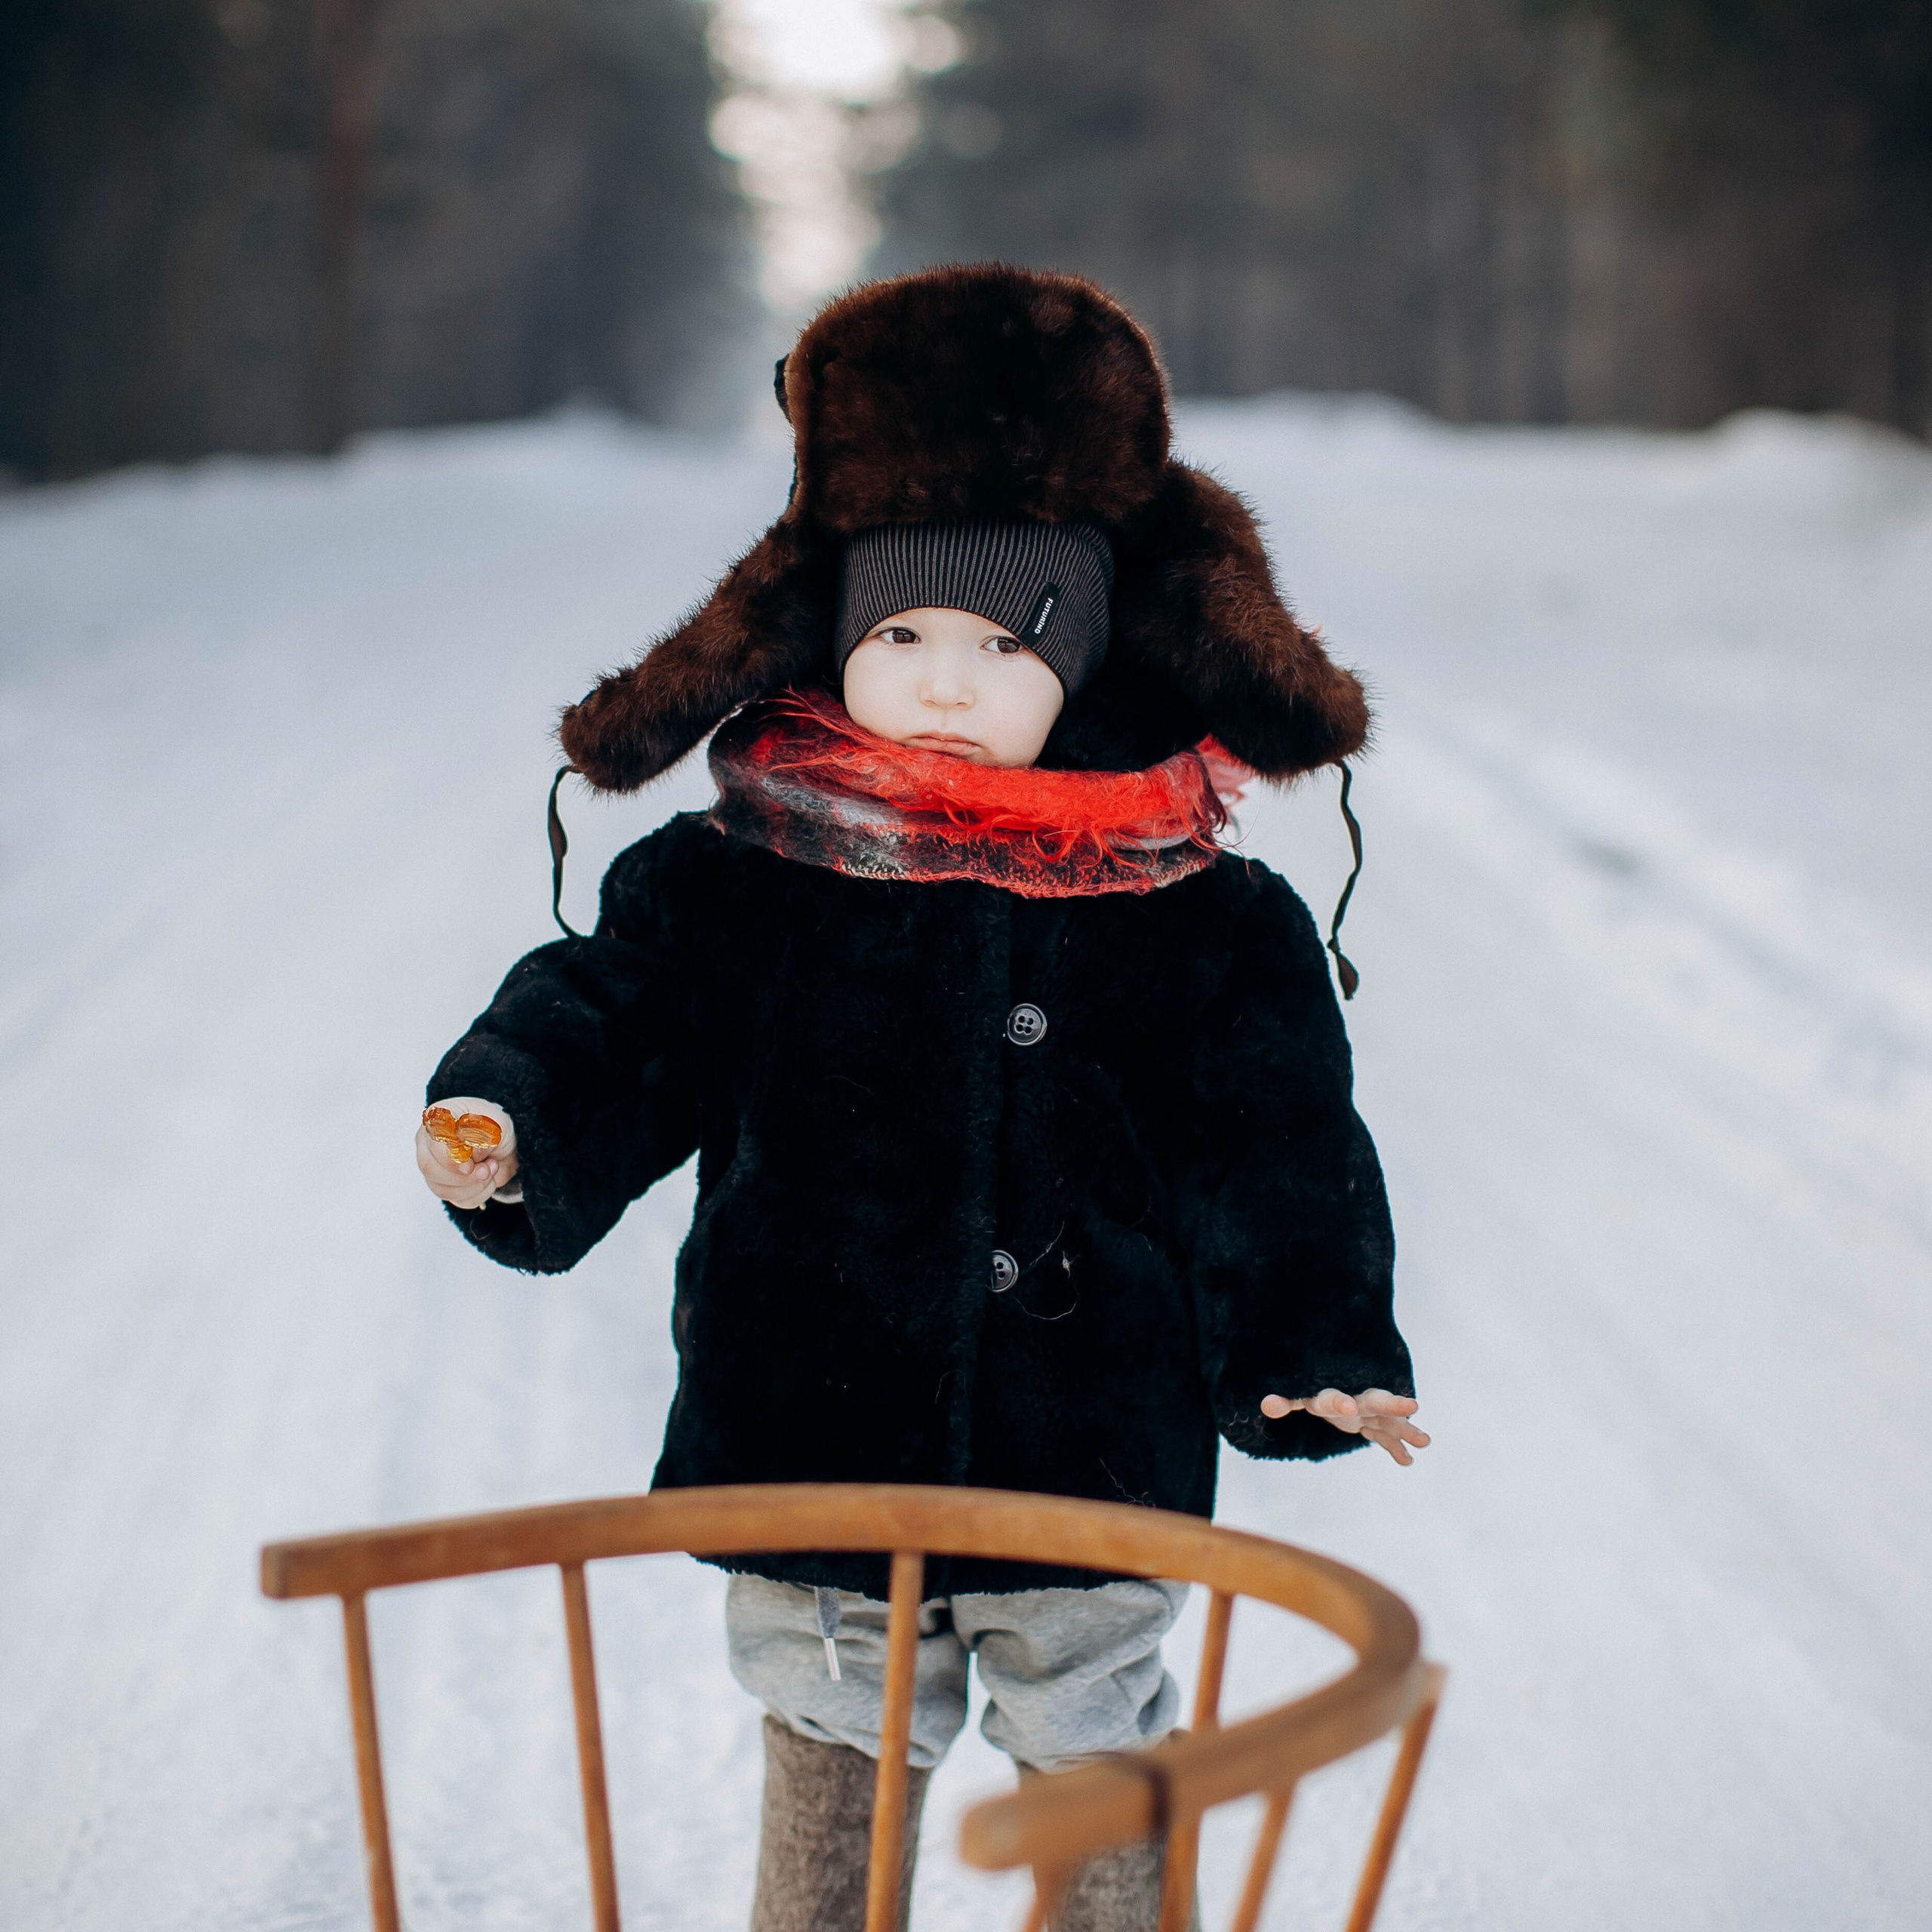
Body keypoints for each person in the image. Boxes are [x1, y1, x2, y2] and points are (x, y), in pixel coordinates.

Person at [416, 265, 1426, 1932]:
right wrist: (515, 1115)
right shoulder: (748, 868)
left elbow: (1277, 1143)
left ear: (1089, 656)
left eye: (1002, 642)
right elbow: (621, 1011)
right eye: (901, 635)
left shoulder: (1190, 905)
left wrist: (1313, 1350)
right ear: (834, 637)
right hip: (815, 1422)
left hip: (1086, 1450)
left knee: (1098, 1754)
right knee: (833, 1746)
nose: (944, 681)